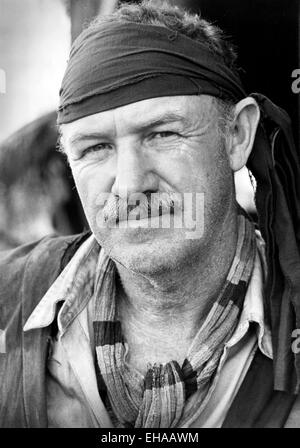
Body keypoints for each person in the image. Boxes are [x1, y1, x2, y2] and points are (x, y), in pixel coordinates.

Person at [0, 0, 300, 428]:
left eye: (162, 134)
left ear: (236, 136)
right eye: (95, 148)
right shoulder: (8, 302)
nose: (128, 185)